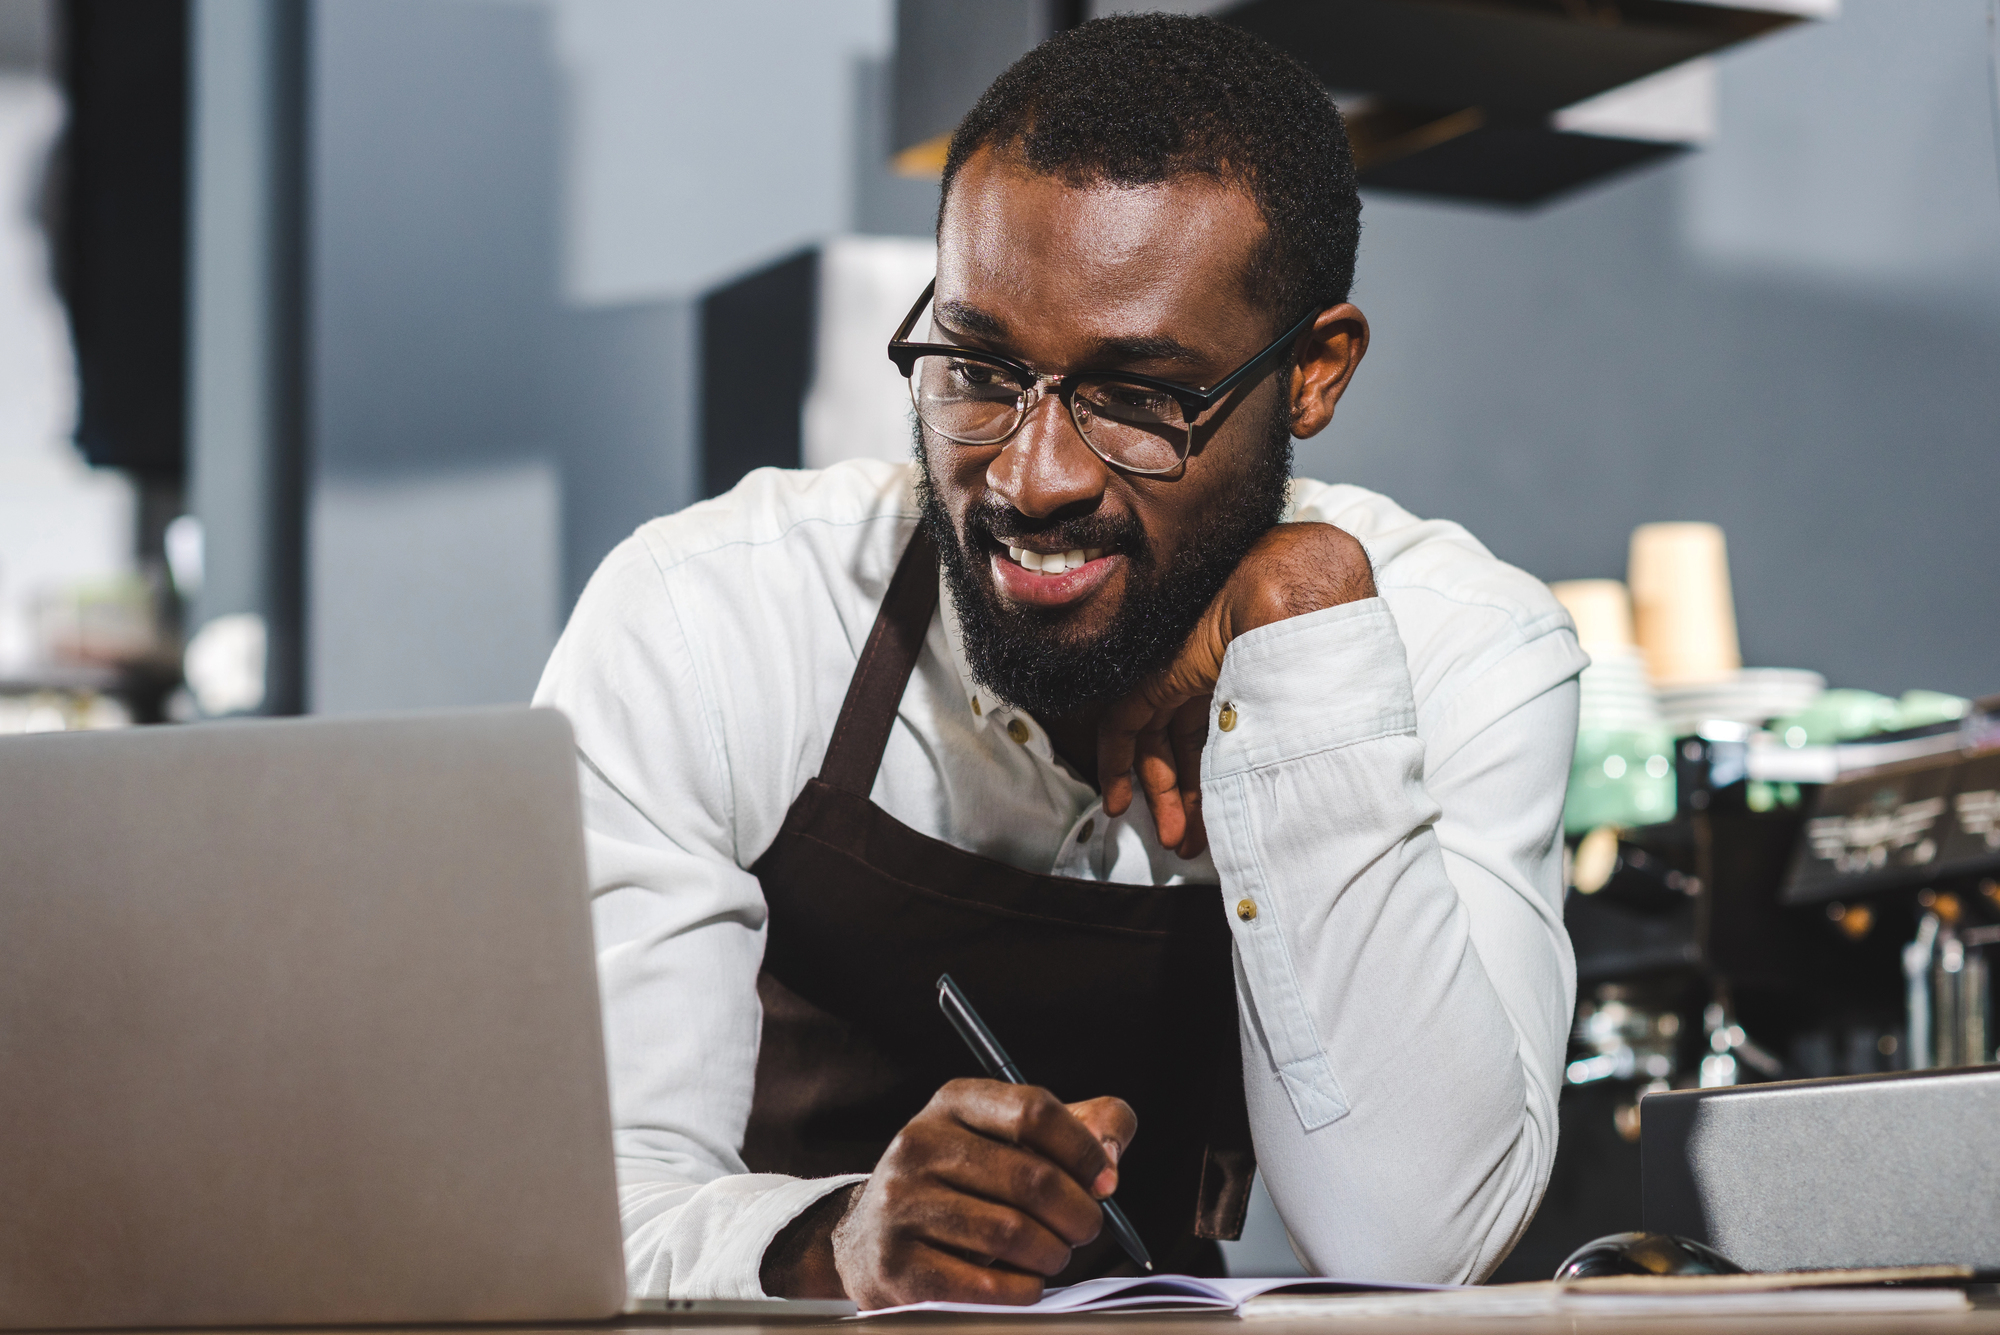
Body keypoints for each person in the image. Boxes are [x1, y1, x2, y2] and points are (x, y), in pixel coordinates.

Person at [535, 12, 1584, 1309]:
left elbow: (1424, 1242)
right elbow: (571, 1212)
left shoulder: (1464, 647)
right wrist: (840, 1237)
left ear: (1313, 375)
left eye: (1140, 397)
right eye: (976, 369)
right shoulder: (710, 622)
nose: (1032, 479)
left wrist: (1305, 638)